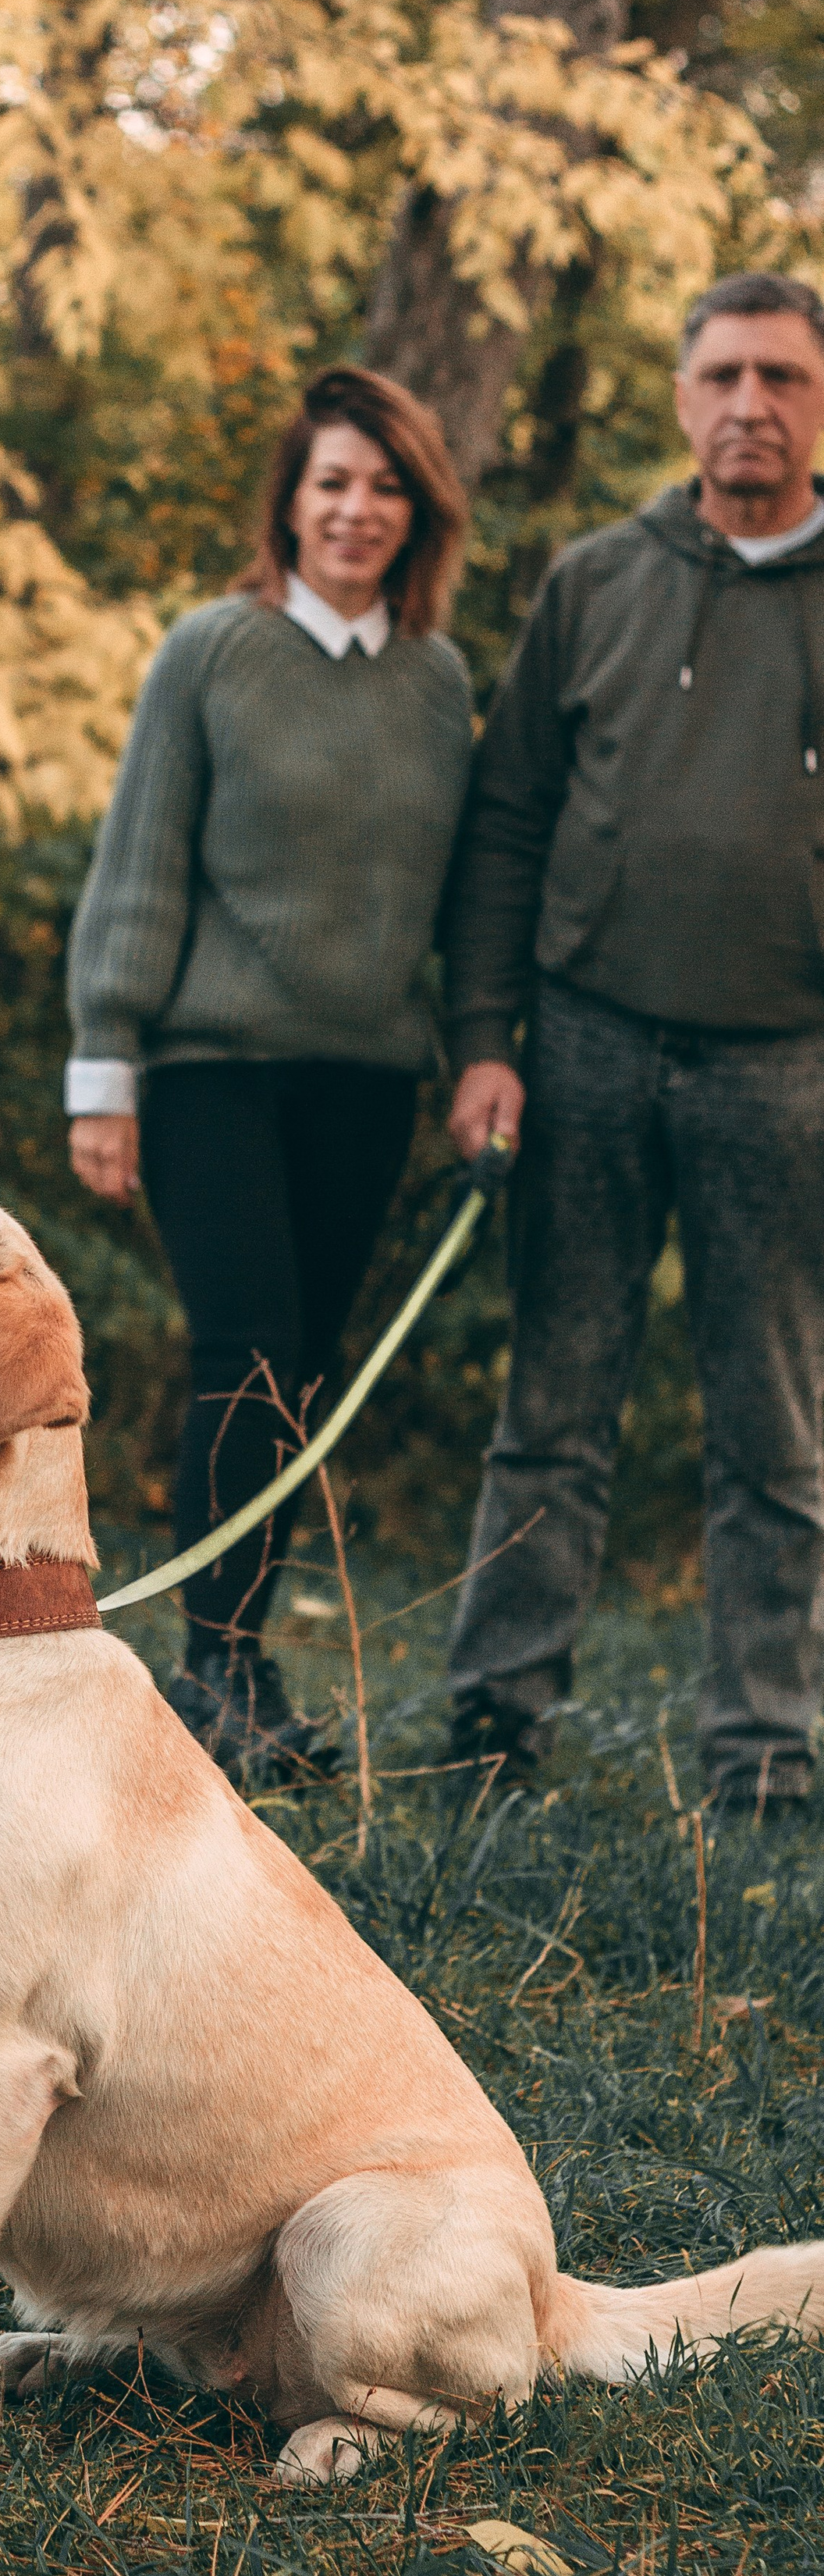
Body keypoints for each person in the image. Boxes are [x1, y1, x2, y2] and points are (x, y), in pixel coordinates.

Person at [445, 272, 824, 1813]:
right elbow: (502, 823)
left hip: (784, 1063)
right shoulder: (593, 579)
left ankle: (765, 1759)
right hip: (584, 1042)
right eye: (722, 375)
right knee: (551, 1410)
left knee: (774, 1429)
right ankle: (490, 1725)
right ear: (677, 398)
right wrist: (483, 1039)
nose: (750, 404)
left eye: (782, 379)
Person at [66, 366, 471, 1777]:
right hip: (209, 1072)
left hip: (367, 1080)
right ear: (291, 506)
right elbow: (139, 866)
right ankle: (216, 1679)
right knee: (243, 1357)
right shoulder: (214, 652)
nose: (358, 510)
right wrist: (102, 1067)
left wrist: (480, 1050)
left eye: (385, 487)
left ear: (419, 512)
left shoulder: (437, 684)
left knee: (303, 1371)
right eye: (333, 483)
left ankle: (244, 1672)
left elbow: (468, 897)